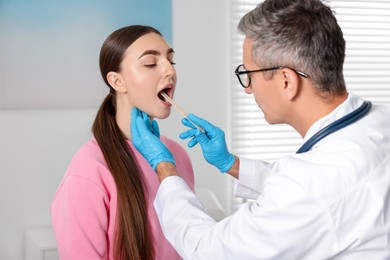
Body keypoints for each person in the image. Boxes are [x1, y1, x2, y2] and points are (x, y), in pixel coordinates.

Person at [130, 0, 390, 259]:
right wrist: (231, 163)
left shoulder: (310, 186)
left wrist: (163, 166)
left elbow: (209, 252)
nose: (248, 88)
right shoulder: (378, 121)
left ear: (287, 80)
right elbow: (324, 191)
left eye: (249, 75)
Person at [51, 25, 194, 260]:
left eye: (171, 61)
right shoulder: (88, 171)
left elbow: (190, 241)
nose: (170, 71)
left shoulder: (178, 155)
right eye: (150, 63)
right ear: (117, 81)